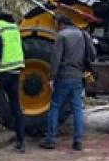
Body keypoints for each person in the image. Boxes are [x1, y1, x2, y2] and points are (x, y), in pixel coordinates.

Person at [41, 14, 95, 151]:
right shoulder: (83, 35)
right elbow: (92, 54)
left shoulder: (61, 36)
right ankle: (77, 141)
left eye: (56, 24)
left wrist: (51, 78)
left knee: (54, 106)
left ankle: (50, 140)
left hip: (63, 77)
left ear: (60, 23)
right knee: (77, 108)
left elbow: (55, 59)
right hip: (78, 76)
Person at [0, 1, 26, 153]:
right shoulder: (13, 25)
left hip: (2, 71)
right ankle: (21, 141)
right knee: (16, 105)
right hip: (15, 70)